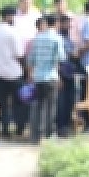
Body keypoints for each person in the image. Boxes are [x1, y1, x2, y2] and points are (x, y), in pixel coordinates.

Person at [0, 6, 27, 139]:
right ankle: (19, 128)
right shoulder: (13, 32)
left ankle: (4, 129)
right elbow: (19, 54)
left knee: (2, 103)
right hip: (14, 73)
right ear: (9, 16)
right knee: (20, 102)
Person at [28, 14, 65, 143]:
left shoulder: (37, 38)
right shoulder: (57, 39)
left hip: (38, 77)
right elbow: (60, 58)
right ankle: (49, 135)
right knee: (51, 106)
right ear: (55, 23)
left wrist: (32, 74)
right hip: (51, 76)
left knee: (38, 106)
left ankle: (36, 135)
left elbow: (31, 59)